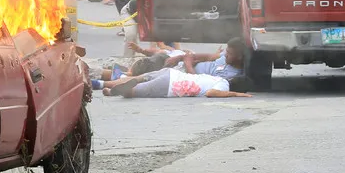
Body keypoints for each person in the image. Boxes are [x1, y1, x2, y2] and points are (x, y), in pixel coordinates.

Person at [101, 68, 253, 98]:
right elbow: (210, 93)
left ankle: (107, 86)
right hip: (170, 85)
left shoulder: (217, 79)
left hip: (171, 72)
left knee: (139, 78)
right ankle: (119, 90)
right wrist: (235, 94)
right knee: (134, 92)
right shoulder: (224, 86)